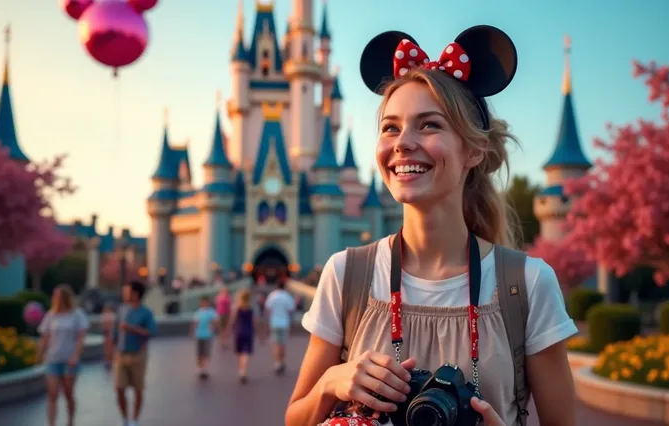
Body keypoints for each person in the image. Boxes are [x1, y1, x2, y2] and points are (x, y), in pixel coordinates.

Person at [286, 26, 577, 426]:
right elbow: (294, 418)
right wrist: (331, 382)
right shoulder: (346, 275)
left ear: (474, 150)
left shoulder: (525, 285)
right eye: (391, 127)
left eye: (429, 125)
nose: (403, 142)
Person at [37, 284, 90, 426]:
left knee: (68, 393)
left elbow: (81, 338)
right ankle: (51, 423)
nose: (55, 299)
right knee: (52, 393)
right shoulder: (51, 315)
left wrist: (75, 355)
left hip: (69, 360)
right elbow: (45, 337)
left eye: (58, 296)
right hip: (53, 359)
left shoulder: (77, 314)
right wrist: (39, 354)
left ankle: (70, 421)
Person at [113, 280, 157, 426]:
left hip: (138, 354)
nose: (124, 294)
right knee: (119, 388)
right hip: (121, 355)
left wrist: (132, 329)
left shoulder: (146, 313)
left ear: (136, 294)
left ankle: (135, 419)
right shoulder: (121, 309)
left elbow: (152, 332)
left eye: (127, 291)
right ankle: (124, 418)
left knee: (138, 388)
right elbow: (115, 332)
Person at [264, 280, 296, 375]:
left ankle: (277, 363)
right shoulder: (287, 296)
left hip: (274, 322)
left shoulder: (272, 296)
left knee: (275, 344)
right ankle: (282, 361)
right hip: (284, 322)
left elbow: (267, 308)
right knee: (283, 344)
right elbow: (291, 310)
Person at [231, 288, 255, 384]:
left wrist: (228, 331)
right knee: (246, 352)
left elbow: (232, 320)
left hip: (238, 332)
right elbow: (254, 322)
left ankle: (241, 370)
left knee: (239, 352)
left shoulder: (237, 308)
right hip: (248, 332)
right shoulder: (250, 308)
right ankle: (244, 371)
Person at [190, 296, 219, 379]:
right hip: (199, 335)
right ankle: (200, 368)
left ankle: (204, 369)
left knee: (206, 353)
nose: (204, 304)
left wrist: (213, 327)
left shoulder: (211, 312)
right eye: (202, 302)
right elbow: (194, 323)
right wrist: (192, 333)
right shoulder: (198, 312)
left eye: (205, 302)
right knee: (199, 353)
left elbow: (216, 321)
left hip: (207, 335)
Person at [215, 285, 232, 350]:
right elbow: (217, 305)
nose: (225, 291)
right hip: (220, 314)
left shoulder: (228, 297)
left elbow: (229, 305)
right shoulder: (218, 297)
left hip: (227, 314)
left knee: (226, 329)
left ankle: (226, 342)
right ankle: (222, 342)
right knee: (221, 329)